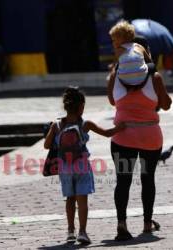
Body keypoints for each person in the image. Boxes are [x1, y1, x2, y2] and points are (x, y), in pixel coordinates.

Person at [108, 22, 172, 241]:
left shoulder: (115, 76)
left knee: (122, 181)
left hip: (122, 136)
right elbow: (166, 105)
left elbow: (111, 101)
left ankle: (122, 225)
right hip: (150, 138)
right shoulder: (155, 78)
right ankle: (147, 224)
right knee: (148, 179)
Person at [44, 87, 125, 244]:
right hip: (81, 166)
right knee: (82, 200)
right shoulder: (85, 124)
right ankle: (82, 232)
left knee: (69, 199)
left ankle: (70, 231)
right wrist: (120, 127)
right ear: (81, 106)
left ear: (66, 106)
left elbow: (47, 146)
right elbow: (108, 133)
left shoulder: (57, 125)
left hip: (65, 168)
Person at [109, 20, 152, 86]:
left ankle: (111, 96)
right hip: (143, 79)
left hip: (124, 81)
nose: (113, 43)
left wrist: (112, 66)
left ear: (120, 39)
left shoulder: (118, 51)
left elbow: (115, 65)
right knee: (152, 67)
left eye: (114, 40)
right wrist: (148, 53)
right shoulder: (139, 47)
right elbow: (149, 61)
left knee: (112, 74)